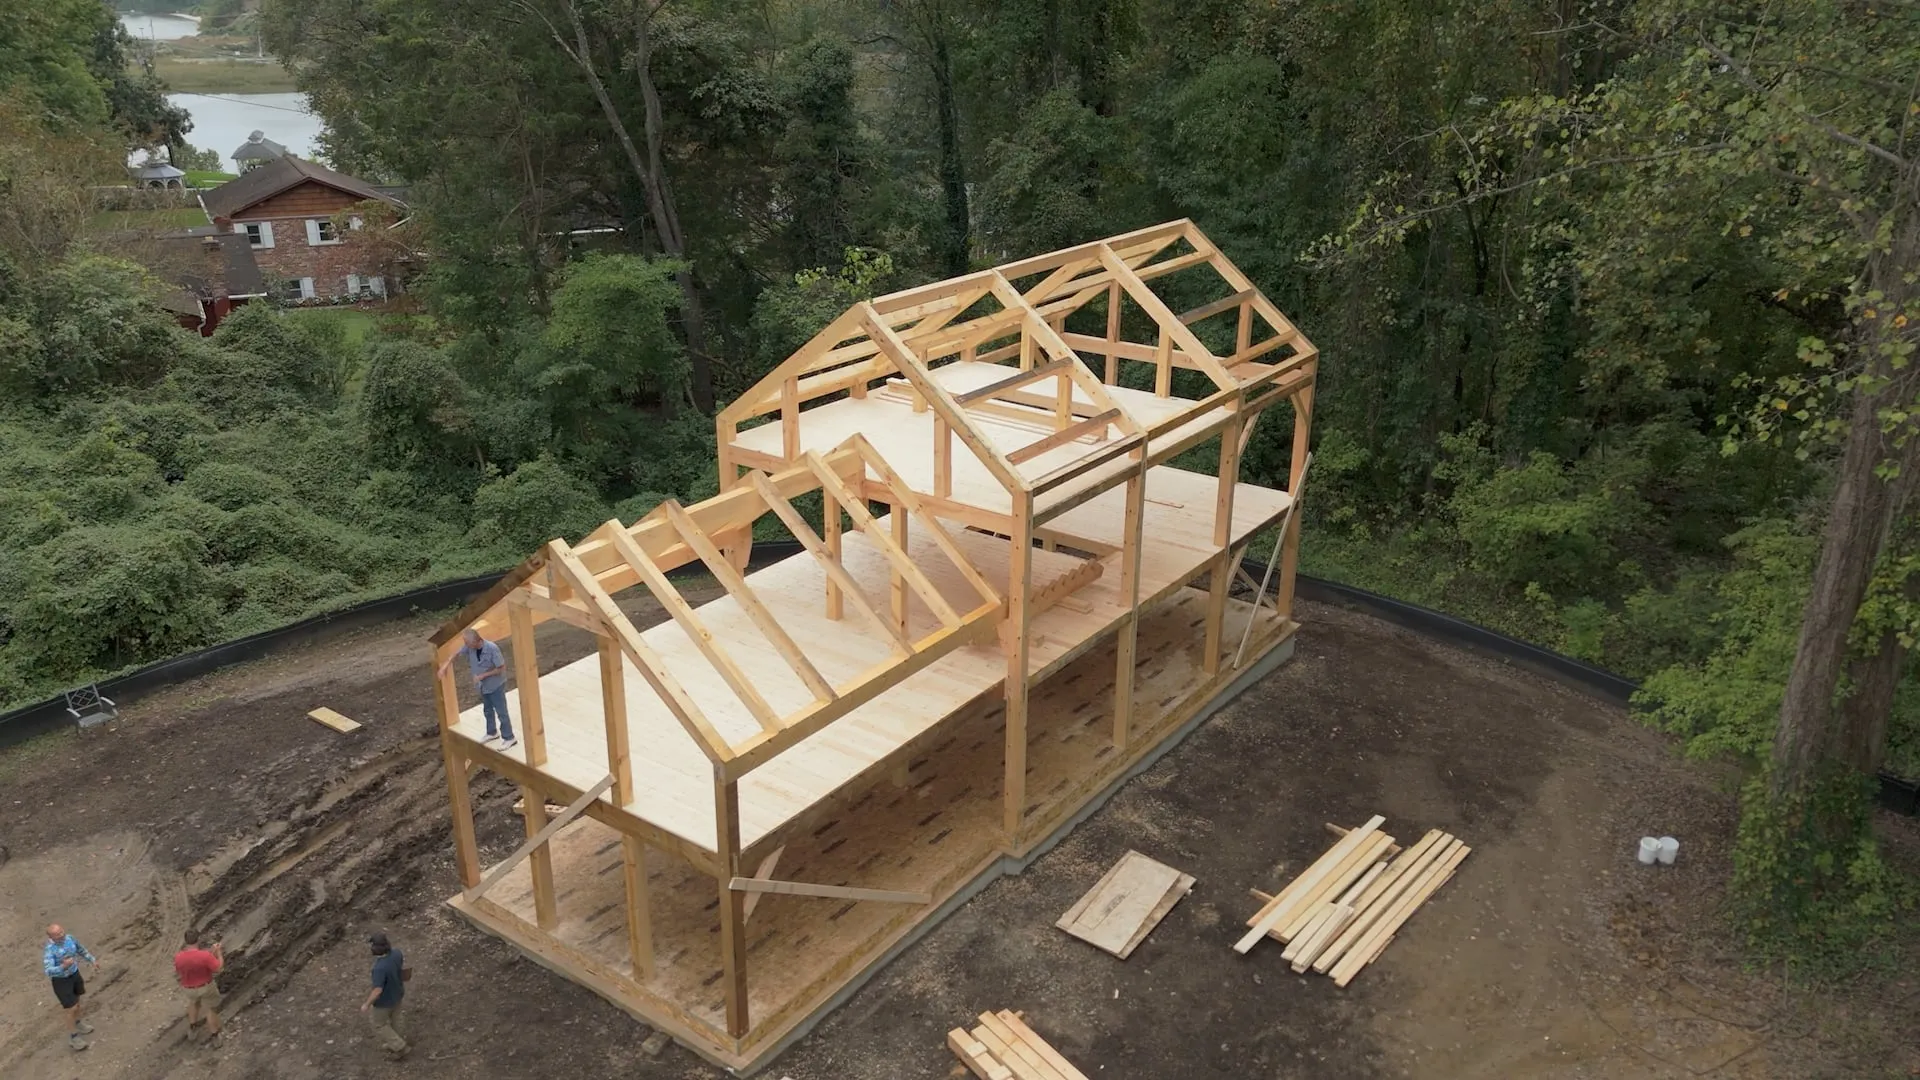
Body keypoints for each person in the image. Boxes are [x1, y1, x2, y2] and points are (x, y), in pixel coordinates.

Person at [439, 628, 515, 748]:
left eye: (467, 643)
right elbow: (457, 653)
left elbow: (501, 668)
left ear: (476, 641)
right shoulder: (470, 647)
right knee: (487, 710)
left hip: (495, 685)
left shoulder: (492, 649)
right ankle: (492, 732)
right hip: (483, 687)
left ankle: (509, 737)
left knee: (501, 712)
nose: (466, 646)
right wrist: (445, 665)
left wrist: (482, 676)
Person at [42, 923, 100, 1052]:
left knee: (77, 1003)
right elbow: (48, 971)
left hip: (74, 974)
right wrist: (63, 967)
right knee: (71, 1008)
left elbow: (81, 949)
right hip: (61, 981)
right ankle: (73, 1038)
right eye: (57, 935)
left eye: (61, 932)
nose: (61, 935)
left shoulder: (70, 938)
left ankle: (79, 1024)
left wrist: (92, 960)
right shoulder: (50, 950)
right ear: (51, 937)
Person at [360, 931, 408, 1060]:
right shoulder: (397, 953)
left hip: (384, 1002)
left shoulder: (379, 968)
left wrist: (366, 1004)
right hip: (398, 993)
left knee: (379, 1024)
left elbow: (377, 990)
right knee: (397, 1018)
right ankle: (397, 1039)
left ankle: (399, 1046)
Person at [173, 929, 224, 1041]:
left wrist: (210, 954)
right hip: (206, 987)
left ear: (185, 941)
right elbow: (218, 968)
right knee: (210, 1009)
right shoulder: (205, 956)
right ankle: (215, 1034)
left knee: (194, 1004)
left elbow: (181, 969)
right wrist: (218, 953)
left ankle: (192, 1027)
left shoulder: (178, 957)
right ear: (198, 939)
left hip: (189, 988)